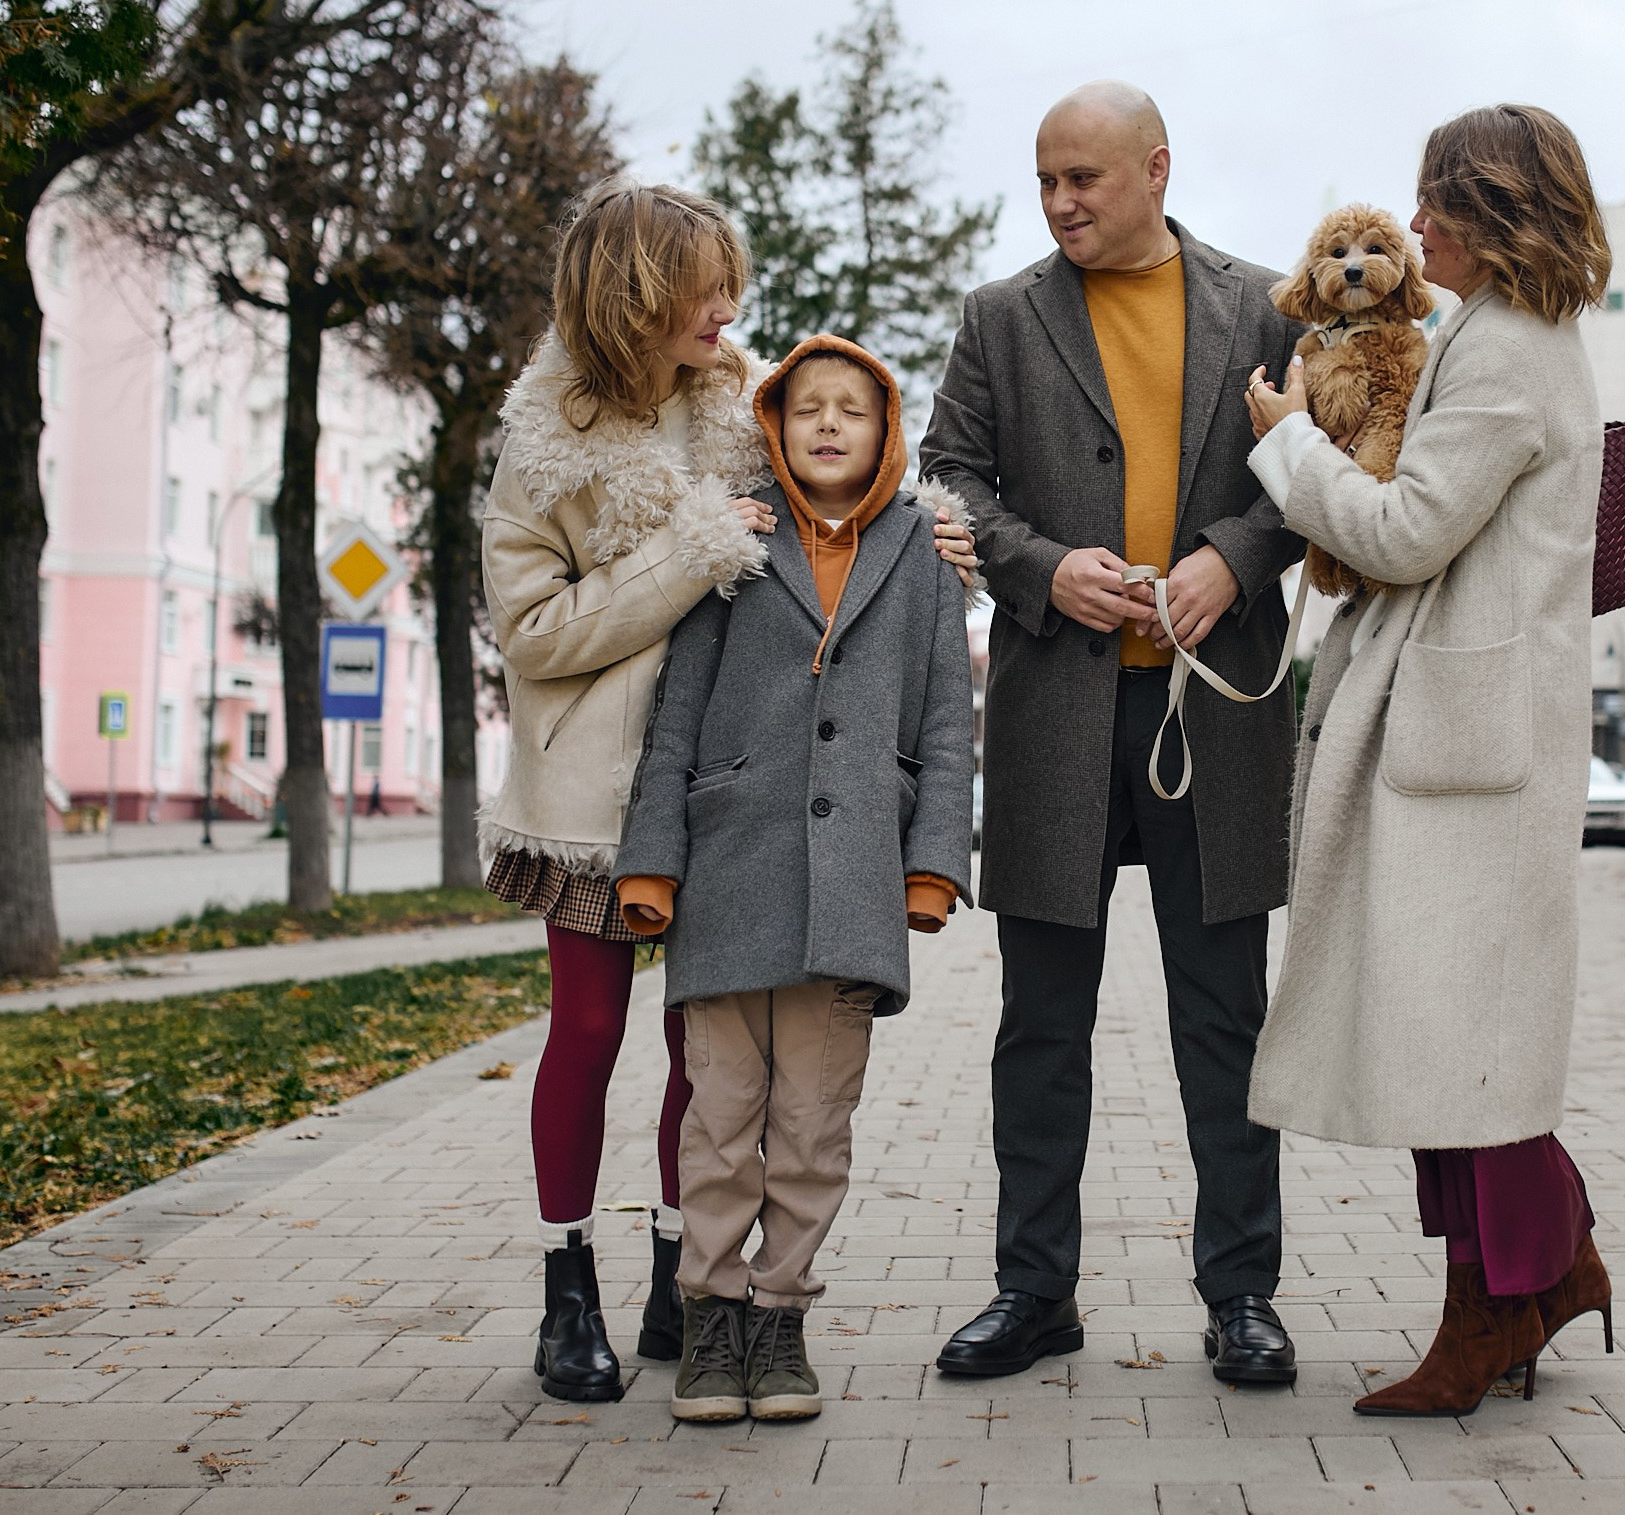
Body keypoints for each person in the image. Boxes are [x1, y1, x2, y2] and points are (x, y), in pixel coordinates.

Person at [481, 180, 981, 1403]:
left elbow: (822, 499)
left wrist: (920, 526)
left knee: (698, 1049)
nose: (727, 307)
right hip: (600, 796)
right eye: (705, 286)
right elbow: (533, 633)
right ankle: (567, 1292)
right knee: (591, 1030)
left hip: (738, 788)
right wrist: (683, 555)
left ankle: (679, 1282)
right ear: (639, 293)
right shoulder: (544, 445)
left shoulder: (726, 403)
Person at [919, 82, 1307, 1384]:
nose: (1061, 202)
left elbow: (1312, 471)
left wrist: (1234, 558)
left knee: (1224, 1021)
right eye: (1045, 181)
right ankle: (1034, 1292)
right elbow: (954, 474)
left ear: (1155, 168)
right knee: (1040, 1025)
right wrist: (1036, 566)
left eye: (1084, 177)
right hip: (1055, 707)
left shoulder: (1264, 304)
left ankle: (1241, 1294)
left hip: (1216, 712)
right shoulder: (998, 318)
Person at [1242, 104, 1614, 1418]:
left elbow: (1403, 534)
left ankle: (1502, 1301)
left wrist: (1286, 436)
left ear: (1497, 214)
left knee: (1467, 1044)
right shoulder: (1510, 340)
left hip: (1470, 747)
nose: (1416, 227)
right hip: (1474, 735)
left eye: (1437, 203)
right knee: (1459, 1032)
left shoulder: (1508, 353)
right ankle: (1544, 1266)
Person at [612, 335, 978, 1425]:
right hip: (729, 878)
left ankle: (779, 1316)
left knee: (813, 1122)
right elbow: (676, 716)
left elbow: (948, 725)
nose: (827, 424)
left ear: (885, 432)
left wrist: (929, 867)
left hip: (856, 881)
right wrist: (652, 864)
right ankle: (709, 1316)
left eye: (851, 410)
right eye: (807, 405)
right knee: (720, 1117)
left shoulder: (922, 553)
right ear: (774, 422)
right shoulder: (737, 538)